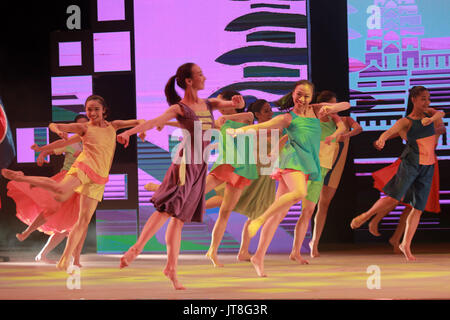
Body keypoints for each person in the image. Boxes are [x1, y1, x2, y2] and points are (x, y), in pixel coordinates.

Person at [117, 63, 245, 290]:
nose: (204, 77)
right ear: (188, 81)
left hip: (200, 167)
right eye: (200, 74)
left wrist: (236, 102)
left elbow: (229, 104)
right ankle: (137, 247)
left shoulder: (208, 104)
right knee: (167, 210)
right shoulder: (180, 108)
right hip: (185, 166)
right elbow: (154, 121)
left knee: (179, 219)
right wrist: (128, 132)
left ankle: (171, 269)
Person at [2, 95, 146, 271]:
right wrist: (55, 131)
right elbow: (55, 127)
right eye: (89, 109)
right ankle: (21, 177)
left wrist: (138, 130)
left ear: (104, 111)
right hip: (84, 168)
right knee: (59, 189)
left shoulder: (113, 126)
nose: (92, 113)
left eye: (96, 109)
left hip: (99, 178)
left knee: (82, 221)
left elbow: (139, 121)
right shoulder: (83, 127)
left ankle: (66, 258)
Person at [230, 80, 350, 276]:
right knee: (300, 192)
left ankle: (258, 256)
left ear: (312, 98)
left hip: (308, 163)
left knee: (279, 214)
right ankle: (259, 219)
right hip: (292, 160)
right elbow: (264, 126)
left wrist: (331, 107)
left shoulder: (316, 110)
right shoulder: (288, 117)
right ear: (293, 94)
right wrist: (238, 131)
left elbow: (346, 106)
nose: (302, 99)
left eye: (306, 96)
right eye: (299, 94)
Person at [350, 86, 445, 261]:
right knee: (394, 197)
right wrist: (382, 139)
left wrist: (435, 117)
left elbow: (441, 114)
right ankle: (367, 215)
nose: (427, 102)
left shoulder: (430, 114)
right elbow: (389, 132)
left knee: (417, 208)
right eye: (423, 99)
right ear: (413, 99)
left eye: (428, 98)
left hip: (428, 165)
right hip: (411, 162)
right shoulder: (406, 121)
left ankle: (405, 244)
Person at [7, 114, 88, 265]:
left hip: (81, 187)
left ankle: (45, 255)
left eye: (86, 125)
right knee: (50, 206)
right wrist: (42, 153)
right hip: (65, 179)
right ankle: (27, 232)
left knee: (67, 228)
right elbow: (54, 149)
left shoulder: (93, 143)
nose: (84, 128)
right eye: (80, 126)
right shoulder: (72, 143)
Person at [308, 91, 363, 257]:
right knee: (309, 206)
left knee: (323, 204)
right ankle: (305, 241)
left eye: (336, 105)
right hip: (317, 165)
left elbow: (358, 128)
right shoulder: (315, 120)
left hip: (334, 167)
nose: (335, 108)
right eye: (332, 105)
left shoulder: (343, 121)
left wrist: (346, 134)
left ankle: (315, 242)